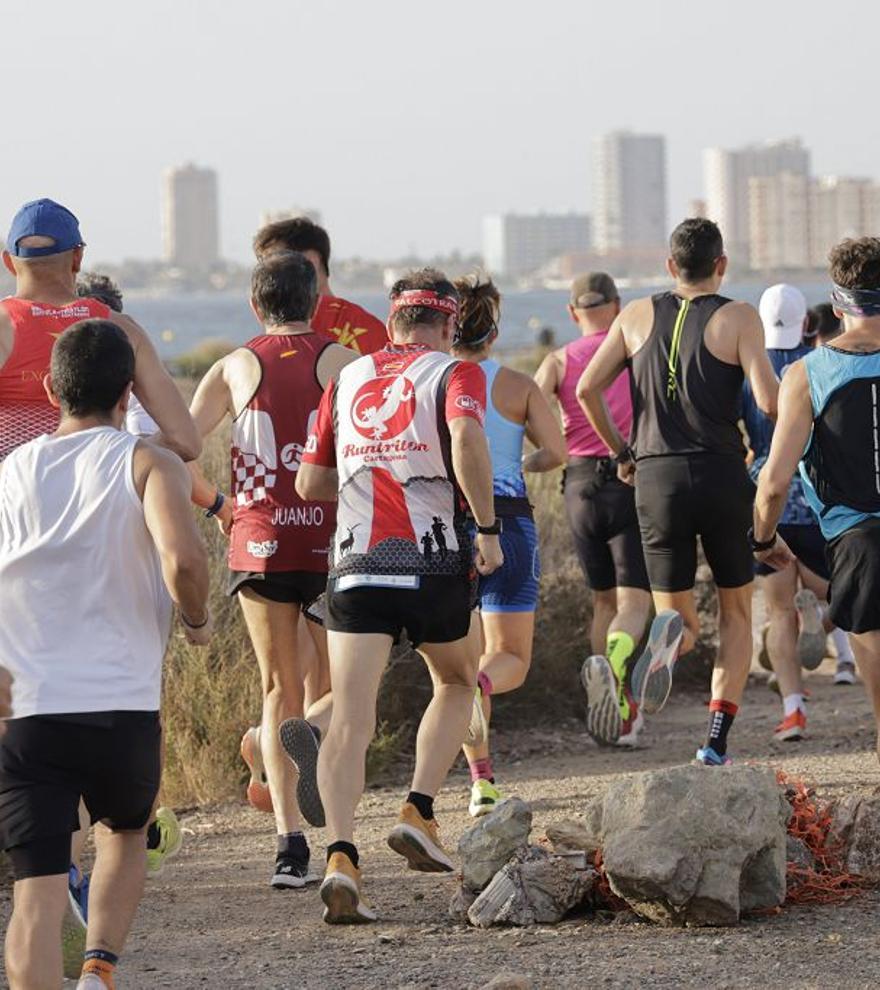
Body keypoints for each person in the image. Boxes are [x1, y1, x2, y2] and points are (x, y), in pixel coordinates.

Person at [0, 319, 210, 990]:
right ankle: (97, 970)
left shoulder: (12, 470)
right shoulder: (146, 462)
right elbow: (183, 561)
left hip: (28, 709)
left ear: (52, 389)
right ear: (128, 393)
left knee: (33, 893)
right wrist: (199, 621)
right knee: (123, 832)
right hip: (121, 700)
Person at [297, 268, 502, 923]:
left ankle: (340, 857)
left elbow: (309, 483)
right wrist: (489, 526)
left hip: (355, 565)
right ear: (448, 324)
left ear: (390, 324)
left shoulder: (347, 379)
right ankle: (418, 808)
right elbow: (468, 440)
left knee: (351, 718)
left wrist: (370, 475)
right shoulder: (455, 371)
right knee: (458, 679)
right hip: (431, 559)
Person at [578, 218, 779, 765]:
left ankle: (635, 655)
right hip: (720, 474)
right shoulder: (738, 316)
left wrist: (622, 453)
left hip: (656, 478)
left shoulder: (636, 315)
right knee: (736, 614)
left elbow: (585, 388)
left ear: (670, 267)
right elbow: (768, 401)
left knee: (679, 622)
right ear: (722, 265)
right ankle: (714, 743)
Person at [188, 251, 355, 888]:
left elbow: (176, 451)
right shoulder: (341, 361)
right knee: (345, 686)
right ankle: (338, 831)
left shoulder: (233, 366)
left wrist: (219, 506)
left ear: (255, 305)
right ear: (315, 301)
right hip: (333, 541)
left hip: (259, 542)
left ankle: (289, 845)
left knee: (276, 689)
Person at [753, 237, 880, 763]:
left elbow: (775, 481)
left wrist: (762, 538)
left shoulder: (807, 374)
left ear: (836, 302)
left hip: (859, 539)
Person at [452, 274, 565, 816]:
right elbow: (556, 452)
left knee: (461, 665)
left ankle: (481, 783)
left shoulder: (434, 380)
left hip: (446, 529)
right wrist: (520, 463)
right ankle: (480, 684)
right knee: (509, 659)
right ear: (493, 330)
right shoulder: (519, 385)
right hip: (509, 522)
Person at [536, 273, 654, 747]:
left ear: (571, 313)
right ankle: (621, 698)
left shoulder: (559, 360)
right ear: (618, 305)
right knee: (635, 602)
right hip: (628, 475)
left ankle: (600, 699)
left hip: (578, 484)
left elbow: (527, 406)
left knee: (602, 601)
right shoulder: (632, 352)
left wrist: (549, 447)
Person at [0, 199, 200, 462]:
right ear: (77, 258)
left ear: (8, 262)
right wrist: (119, 454)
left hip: (14, 497)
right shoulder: (124, 329)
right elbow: (185, 442)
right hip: (99, 496)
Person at [742, 284, 851, 740]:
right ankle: (826, 619)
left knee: (778, 610)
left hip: (768, 499)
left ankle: (792, 710)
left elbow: (737, 436)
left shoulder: (748, 373)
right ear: (807, 324)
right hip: (818, 499)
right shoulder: (815, 368)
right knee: (846, 591)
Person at [253, 217, 388, 355]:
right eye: (264, 263)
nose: (268, 272)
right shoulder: (372, 327)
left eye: (278, 260)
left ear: (311, 261)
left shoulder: (366, 329)